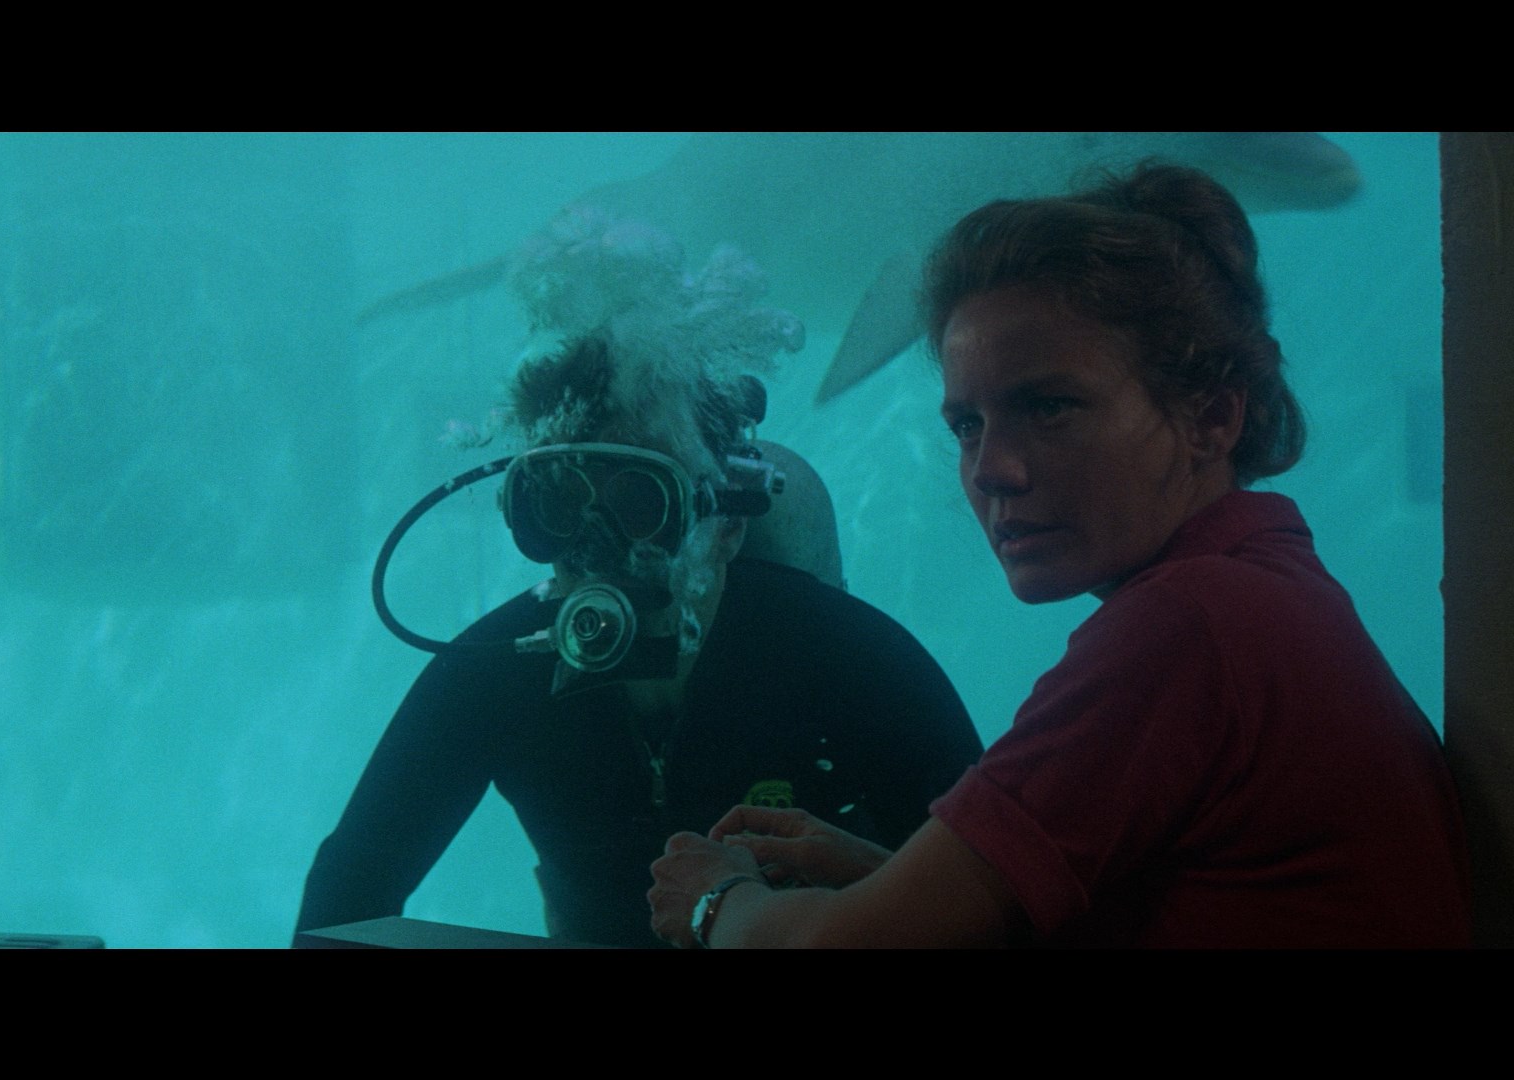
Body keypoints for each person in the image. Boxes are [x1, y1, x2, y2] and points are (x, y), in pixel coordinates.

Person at [649, 164, 1472, 948]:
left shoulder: (1189, 627)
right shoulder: (1267, 586)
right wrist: (889, 878)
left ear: (1212, 419)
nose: (991, 471)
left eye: (1049, 406)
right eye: (967, 425)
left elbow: (844, 946)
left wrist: (718, 900)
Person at [297, 215, 982, 948]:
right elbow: (342, 905)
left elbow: (996, 903)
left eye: (640, 501)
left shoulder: (840, 656)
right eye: (558, 503)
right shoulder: (492, 671)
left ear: (725, 524)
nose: (597, 549)